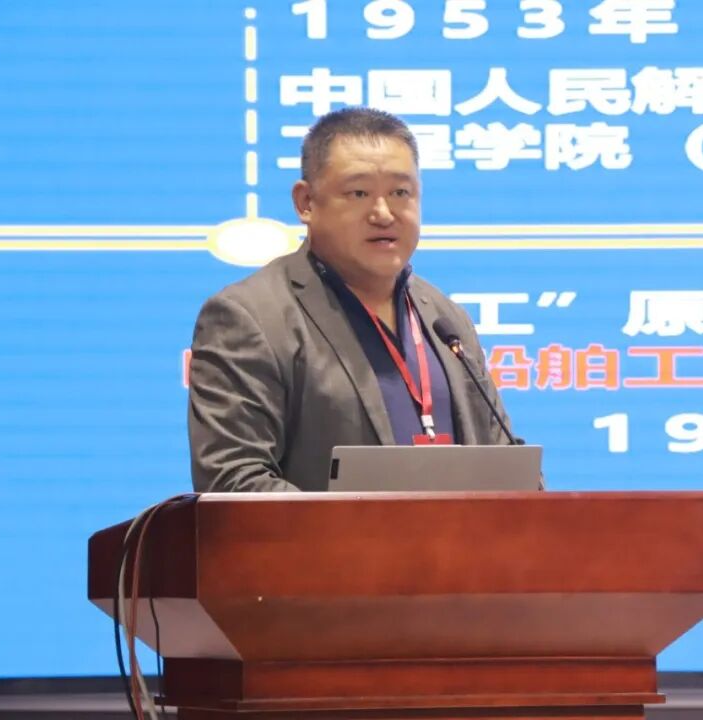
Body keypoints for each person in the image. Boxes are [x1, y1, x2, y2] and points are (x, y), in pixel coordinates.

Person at [188, 107, 518, 492]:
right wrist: (364, 525)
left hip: (459, 536)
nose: (383, 213)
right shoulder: (251, 317)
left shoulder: (445, 320)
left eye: (400, 193)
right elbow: (234, 483)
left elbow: (503, 460)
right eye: (359, 193)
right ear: (306, 202)